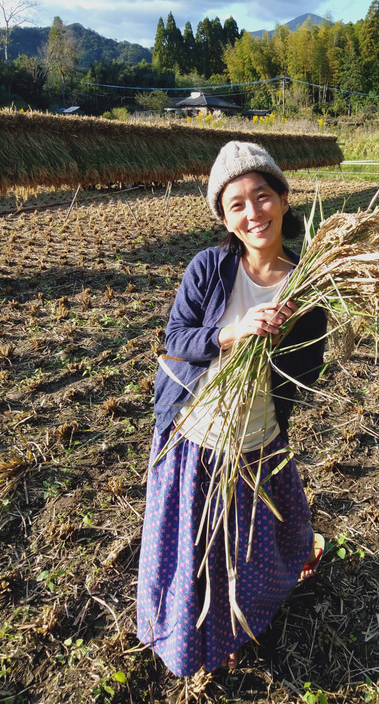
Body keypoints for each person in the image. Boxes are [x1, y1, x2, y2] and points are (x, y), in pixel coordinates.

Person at [136, 140, 326, 677]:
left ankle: (240, 622)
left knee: (244, 553)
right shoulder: (209, 268)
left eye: (262, 197)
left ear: (284, 200)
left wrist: (288, 336)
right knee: (199, 555)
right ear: (224, 217)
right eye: (237, 204)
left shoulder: (307, 286)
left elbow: (306, 377)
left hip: (258, 439)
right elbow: (175, 338)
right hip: (197, 434)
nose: (253, 212)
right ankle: (192, 635)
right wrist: (234, 333)